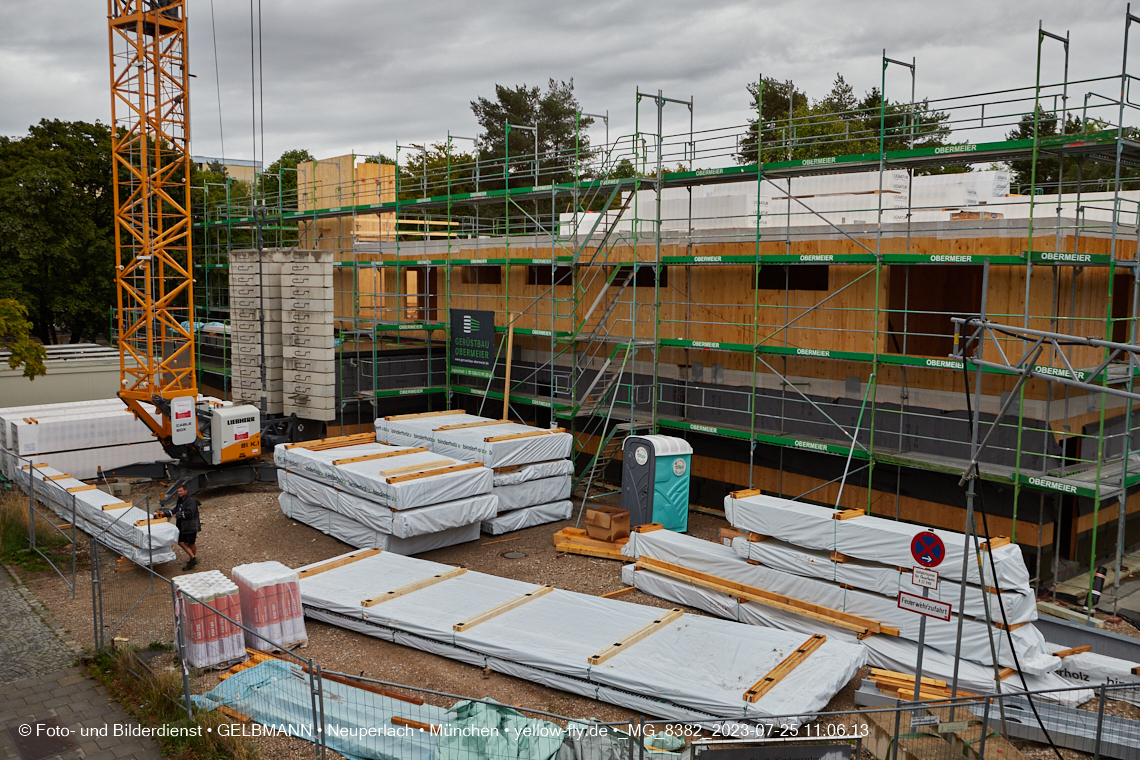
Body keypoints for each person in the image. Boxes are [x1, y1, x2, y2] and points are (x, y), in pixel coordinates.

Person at [155, 484, 201, 571]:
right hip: (182, 526)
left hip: (191, 526)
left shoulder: (191, 501)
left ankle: (192, 560)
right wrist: (164, 513)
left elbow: (190, 513)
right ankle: (193, 558)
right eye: (178, 491)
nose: (179, 493)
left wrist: (179, 515)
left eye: (181, 491)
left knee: (191, 543)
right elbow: (175, 511)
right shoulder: (180, 500)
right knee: (180, 542)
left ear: (185, 491)